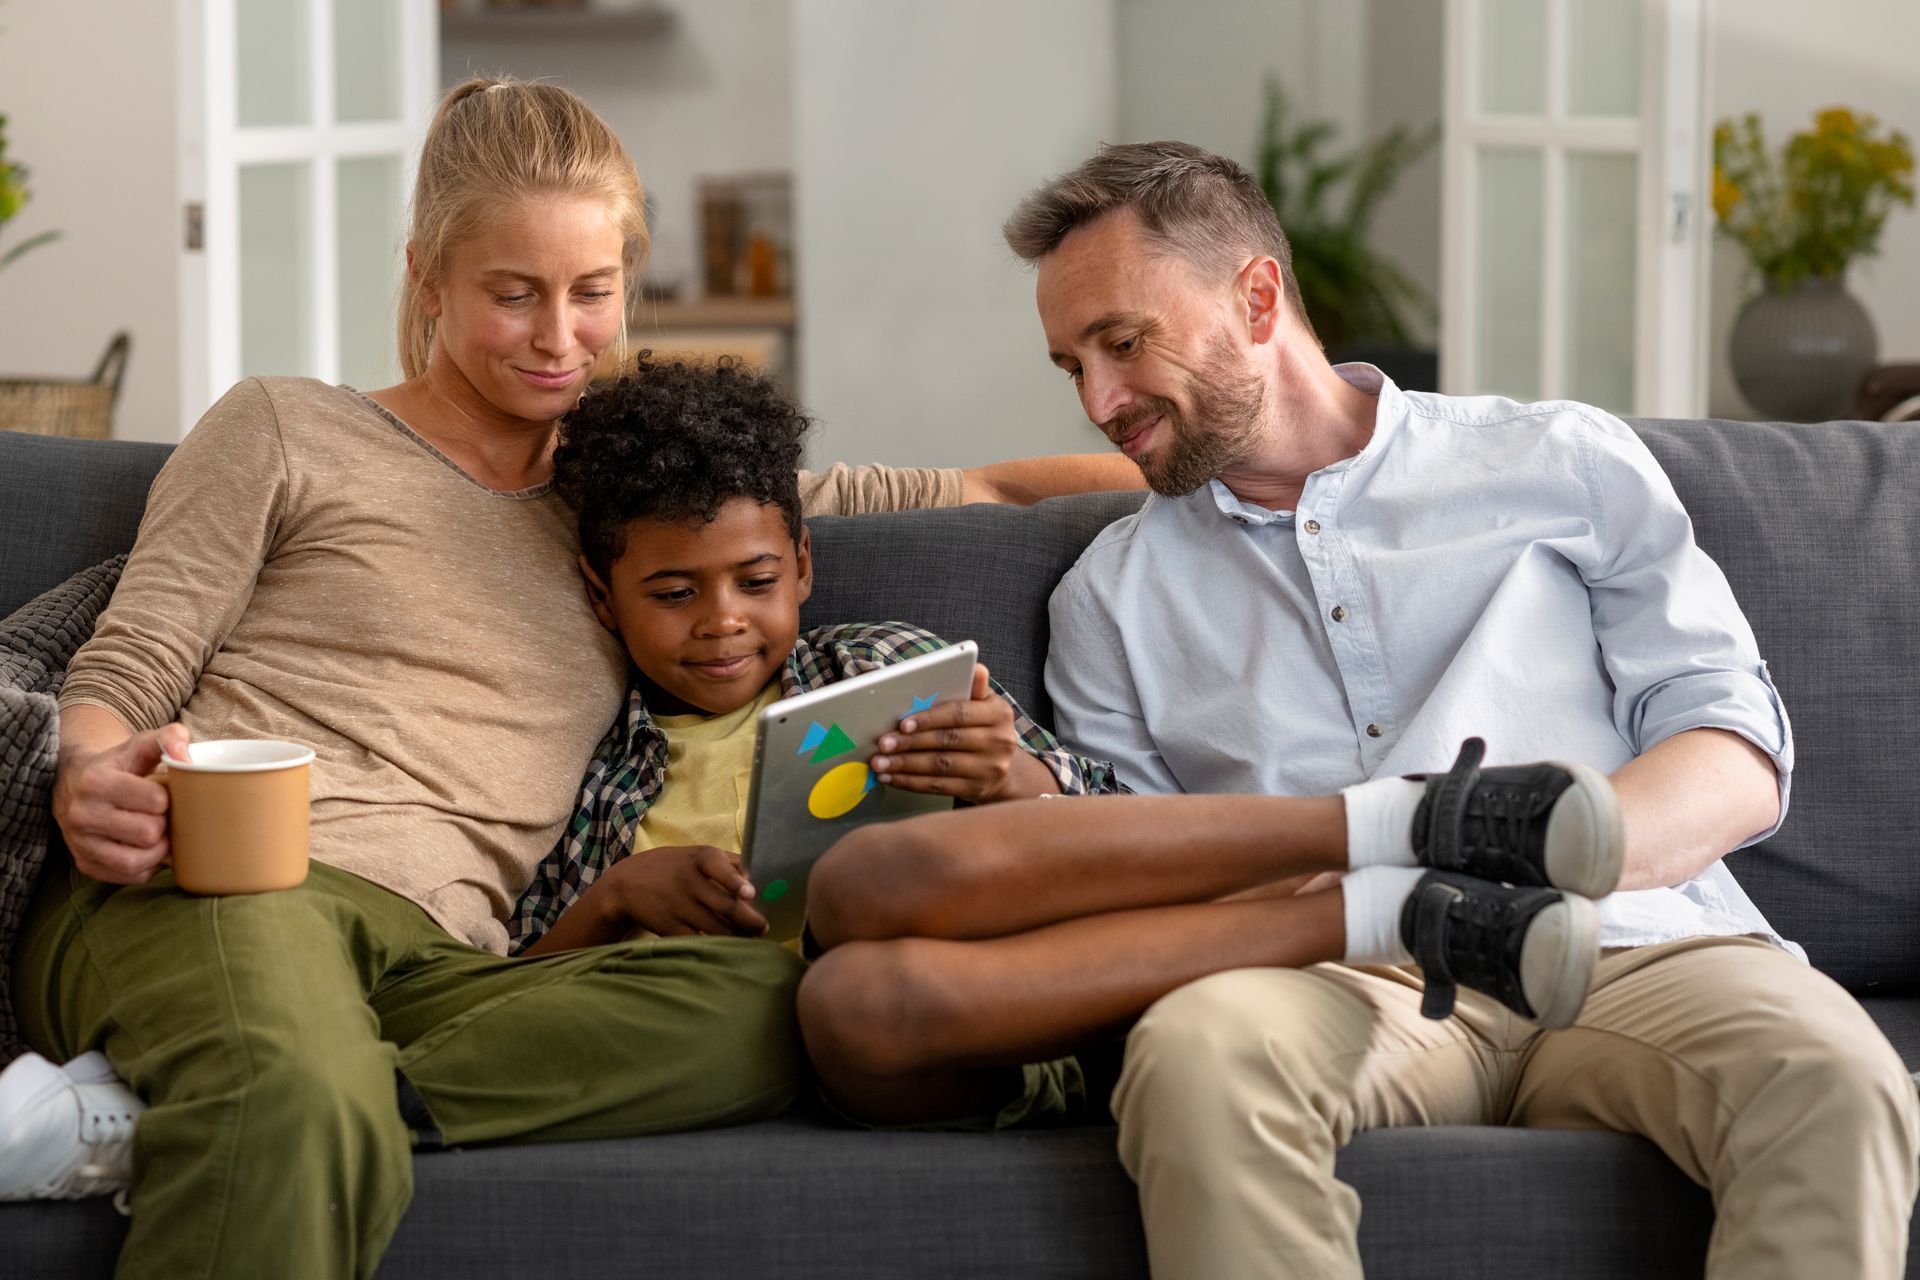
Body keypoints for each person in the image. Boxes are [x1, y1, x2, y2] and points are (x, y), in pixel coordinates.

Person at [0, 78, 1139, 1280]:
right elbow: (130, 659)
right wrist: (86, 765)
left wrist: (1275, 449)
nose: (558, 338)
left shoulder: (640, 509)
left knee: (791, 1002)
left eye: (592, 294)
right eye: (512, 294)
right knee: (291, 1092)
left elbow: (1001, 492)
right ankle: (268, 1099)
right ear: (429, 278)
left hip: (448, 965)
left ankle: (199, 1107)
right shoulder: (289, 429)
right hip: (238, 874)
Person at [801, 140, 1919, 1279]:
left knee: (1835, 1072)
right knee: (1197, 1052)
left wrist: (1560, 862)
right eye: (1068, 366)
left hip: (1636, 945)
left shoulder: (1559, 458)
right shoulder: (1111, 597)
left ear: (1256, 296)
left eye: (1122, 342)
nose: (1098, 401)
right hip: (1336, 977)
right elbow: (1145, 871)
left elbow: (1730, 744)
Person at [505, 353, 1125, 966]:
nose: (724, 621)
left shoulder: (883, 667)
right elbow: (495, 995)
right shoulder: (586, 778)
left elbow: (1118, 828)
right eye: (674, 595)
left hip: (908, 995)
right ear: (602, 597)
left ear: (801, 565)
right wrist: (616, 898)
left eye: (756, 582)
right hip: (672, 1025)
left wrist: (1012, 777)